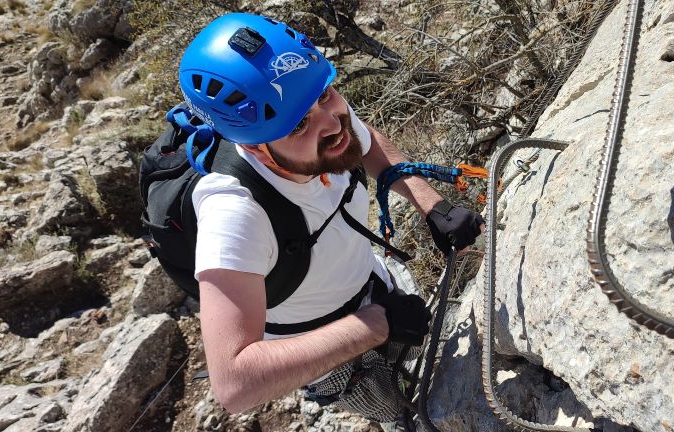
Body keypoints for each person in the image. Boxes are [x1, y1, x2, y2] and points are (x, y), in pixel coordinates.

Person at [179, 13, 485, 423]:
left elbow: (364, 137)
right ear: (254, 150)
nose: (331, 124)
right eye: (300, 124)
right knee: (396, 409)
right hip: (317, 351)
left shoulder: (306, 109)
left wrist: (432, 205)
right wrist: (375, 326)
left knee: (425, 360)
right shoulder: (234, 212)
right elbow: (235, 384)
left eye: (325, 95)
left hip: (375, 288)